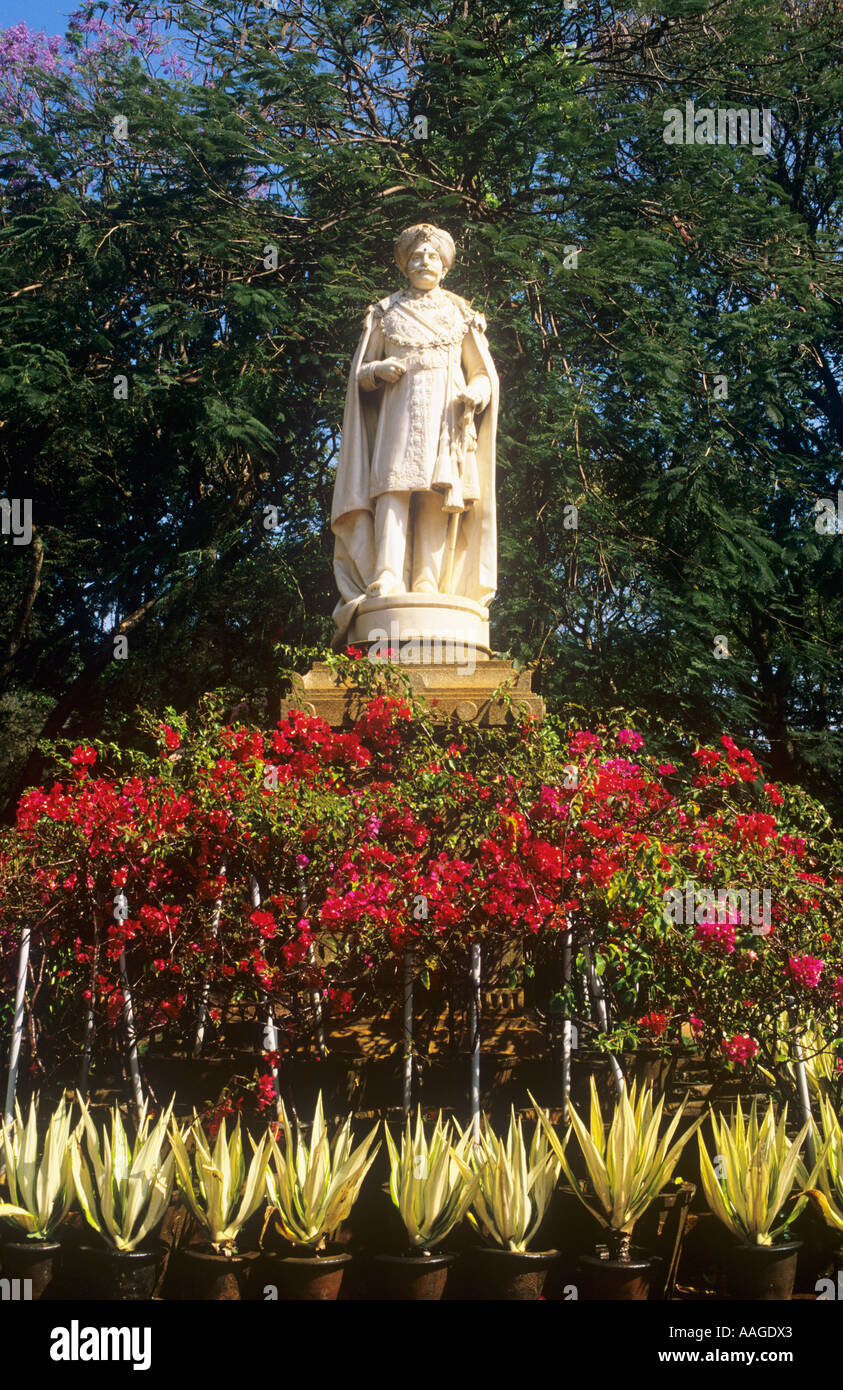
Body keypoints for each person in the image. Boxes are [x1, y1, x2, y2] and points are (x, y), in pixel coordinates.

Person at [330, 223, 498, 647]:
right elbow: (359, 375)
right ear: (405, 264)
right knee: (393, 491)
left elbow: (481, 373)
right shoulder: (385, 312)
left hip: (446, 418)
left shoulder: (461, 313)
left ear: (445, 267)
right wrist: (377, 372)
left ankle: (427, 581)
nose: (426, 263)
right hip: (396, 417)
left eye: (434, 258)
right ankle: (385, 576)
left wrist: (476, 394)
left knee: (435, 498)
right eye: (418, 256)